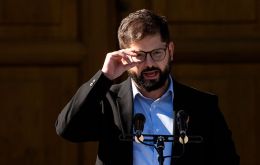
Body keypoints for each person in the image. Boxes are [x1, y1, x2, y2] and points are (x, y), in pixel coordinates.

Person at [55, 9, 239, 165]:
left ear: (170, 51)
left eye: (157, 53)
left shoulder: (203, 106)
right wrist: (104, 77)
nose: (150, 63)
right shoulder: (108, 100)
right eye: (140, 56)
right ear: (124, 56)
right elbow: (67, 129)